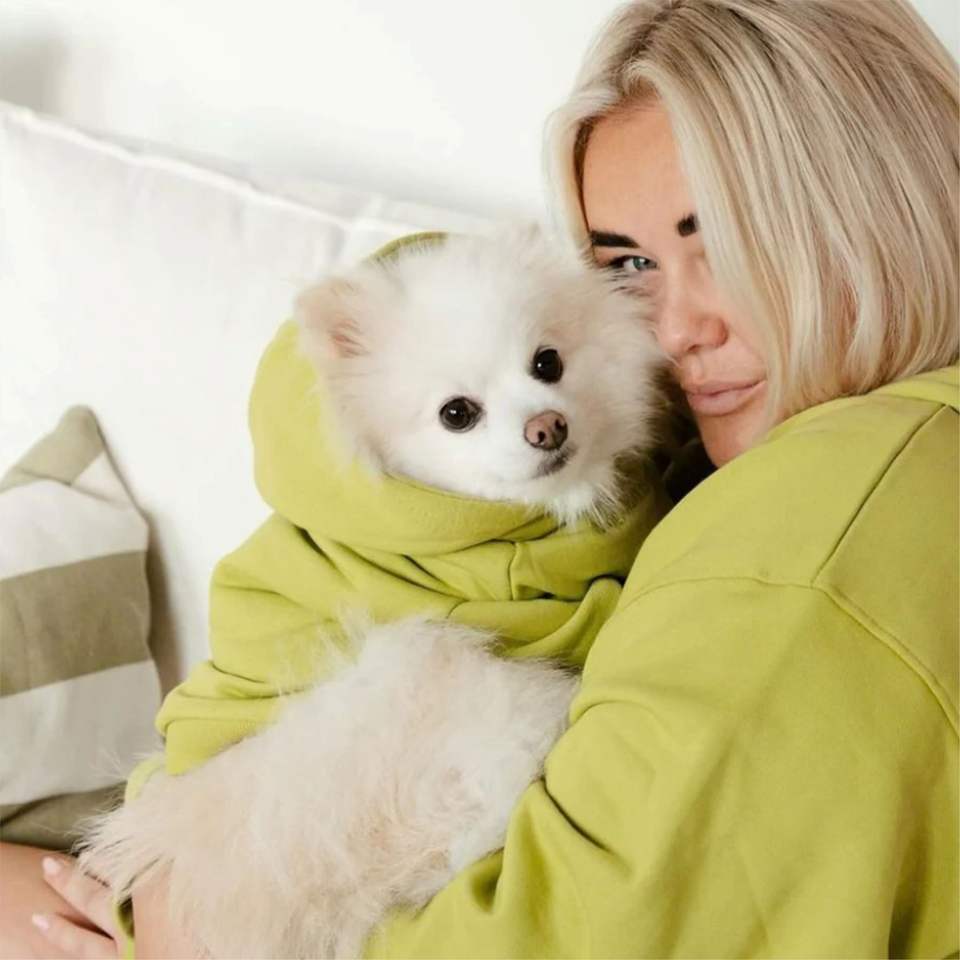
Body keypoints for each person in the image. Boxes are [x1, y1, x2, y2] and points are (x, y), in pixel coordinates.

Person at [9, 0, 958, 956]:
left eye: (724, 242)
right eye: (630, 264)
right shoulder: (726, 455)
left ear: (879, 203)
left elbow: (569, 934)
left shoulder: (817, 541)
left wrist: (175, 928)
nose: (675, 330)